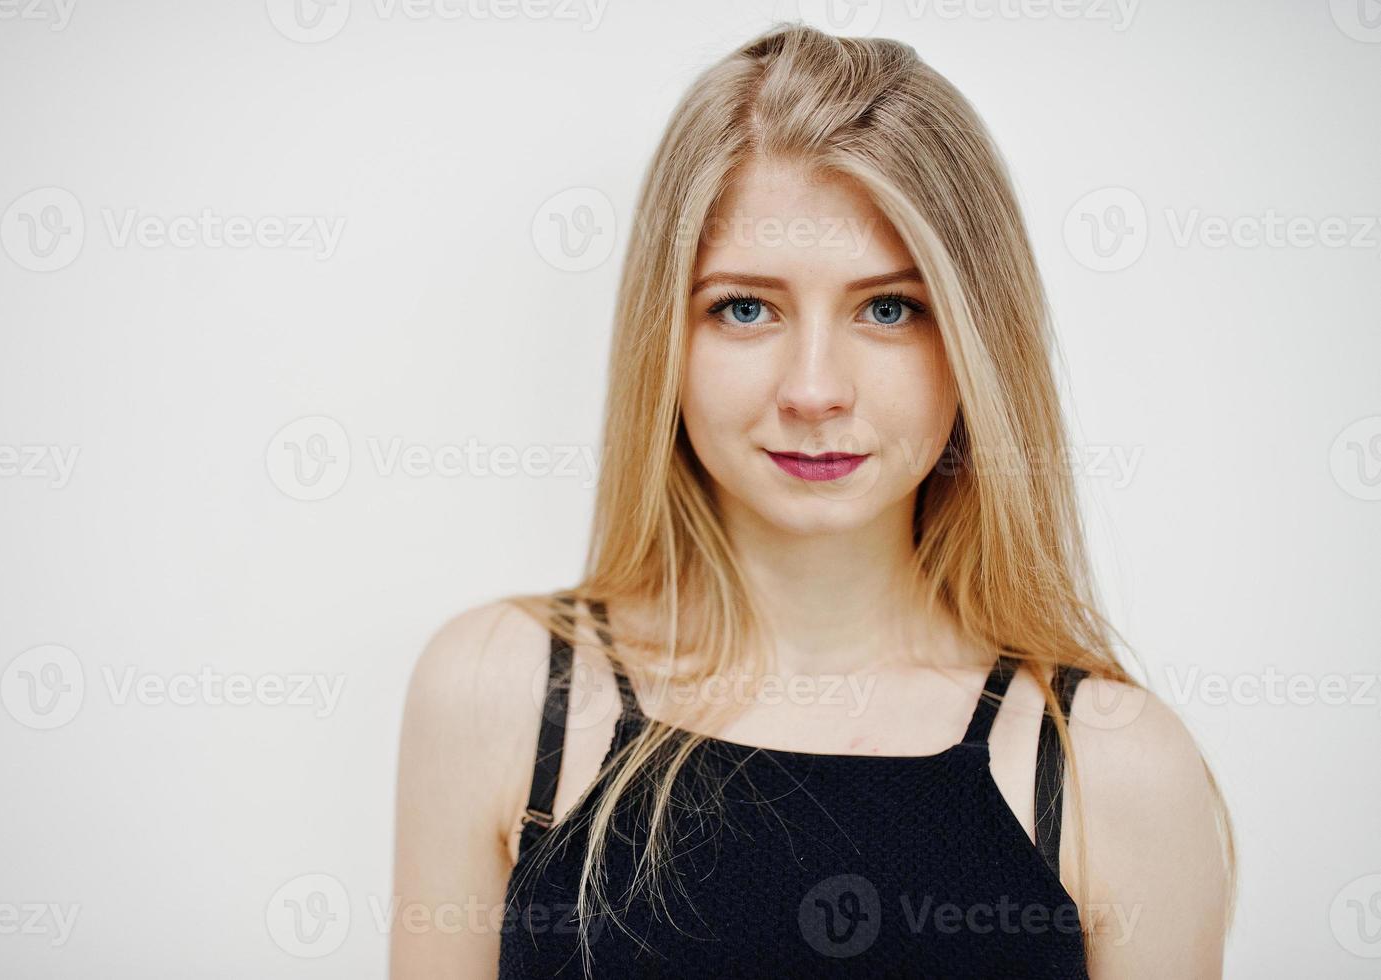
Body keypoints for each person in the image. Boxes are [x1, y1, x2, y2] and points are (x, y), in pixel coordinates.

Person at [392, 22, 1235, 979]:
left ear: (973, 340)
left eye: (888, 309)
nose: (813, 389)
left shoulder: (1112, 768)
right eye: (744, 308)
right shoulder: (500, 694)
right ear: (664, 337)